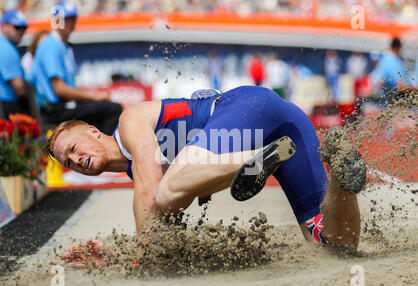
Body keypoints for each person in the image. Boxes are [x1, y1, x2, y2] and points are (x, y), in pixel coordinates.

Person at [48, 86, 367, 267]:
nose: (75, 160)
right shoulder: (150, 171)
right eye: (68, 162)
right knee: (336, 246)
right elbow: (162, 242)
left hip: (247, 109)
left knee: (163, 194)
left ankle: (255, 157)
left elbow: (151, 200)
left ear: (93, 131)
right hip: (285, 127)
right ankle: (341, 173)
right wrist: (114, 256)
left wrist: (137, 261)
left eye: (74, 148)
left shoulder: (129, 123)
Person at [29, 1, 122, 135]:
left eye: (72, 18)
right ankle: (106, 152)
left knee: (105, 110)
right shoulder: (51, 45)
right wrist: (94, 97)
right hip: (54, 109)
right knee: (112, 109)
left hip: (61, 106)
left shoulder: (63, 46)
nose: (69, 23)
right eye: (65, 19)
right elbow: (60, 89)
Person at [0, 10, 29, 118]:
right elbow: (19, 88)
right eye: (17, 27)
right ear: (4, 26)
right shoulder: (6, 48)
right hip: (7, 107)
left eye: (24, 27)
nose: (21, 31)